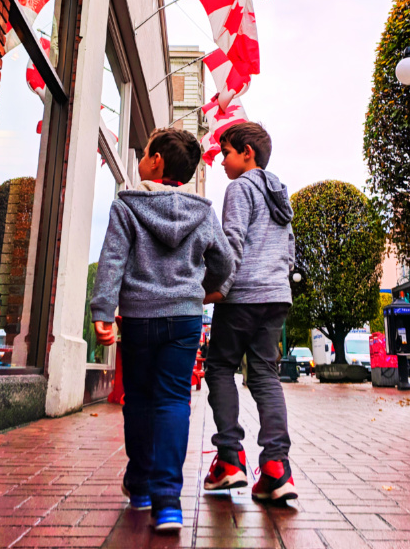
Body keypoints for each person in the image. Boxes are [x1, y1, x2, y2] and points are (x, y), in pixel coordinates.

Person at [91, 128, 233, 532]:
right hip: (184, 320)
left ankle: (139, 485)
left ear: (155, 162)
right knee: (173, 400)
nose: (141, 156)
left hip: (137, 318)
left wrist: (103, 308)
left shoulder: (127, 207)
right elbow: (223, 264)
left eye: (145, 151)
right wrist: (205, 293)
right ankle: (168, 502)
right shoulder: (202, 211)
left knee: (137, 400)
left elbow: (112, 260)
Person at [203, 122, 298, 503]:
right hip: (276, 297)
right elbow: (289, 250)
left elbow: (232, 244)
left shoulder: (240, 188)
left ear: (247, 153)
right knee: (264, 375)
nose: (222, 161)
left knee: (220, 367)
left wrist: (218, 289)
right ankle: (276, 468)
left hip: (243, 296)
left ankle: (230, 460)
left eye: (226, 152)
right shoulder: (279, 196)